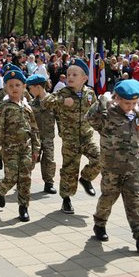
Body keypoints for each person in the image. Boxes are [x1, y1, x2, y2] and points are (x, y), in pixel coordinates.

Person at [86, 79, 139, 251]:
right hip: (111, 167)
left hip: (132, 167)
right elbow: (90, 118)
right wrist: (100, 102)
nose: (130, 106)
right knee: (108, 197)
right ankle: (100, 224)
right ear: (117, 98)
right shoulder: (107, 114)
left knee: (134, 200)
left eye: (134, 103)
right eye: (127, 103)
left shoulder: (136, 116)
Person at [40, 58, 101, 214]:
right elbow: (45, 102)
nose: (71, 77)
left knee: (100, 158)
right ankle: (66, 200)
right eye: (68, 74)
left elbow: (95, 113)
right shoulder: (63, 92)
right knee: (69, 171)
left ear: (85, 78)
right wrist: (62, 101)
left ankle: (86, 178)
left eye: (75, 74)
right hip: (70, 140)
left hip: (86, 137)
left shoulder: (90, 93)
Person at [0, 70, 40, 222]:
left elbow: (34, 129)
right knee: (11, 177)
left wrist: (36, 148)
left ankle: (23, 207)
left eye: (18, 85)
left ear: (24, 86)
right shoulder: (3, 107)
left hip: (26, 148)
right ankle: (0, 190)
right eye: (11, 85)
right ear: (6, 87)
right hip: (9, 148)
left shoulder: (27, 106)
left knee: (25, 177)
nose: (14, 88)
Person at [26, 74, 57, 194]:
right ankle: (24, 182)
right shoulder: (31, 104)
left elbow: (59, 118)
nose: (29, 91)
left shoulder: (53, 101)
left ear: (38, 87)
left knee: (49, 160)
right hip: (35, 138)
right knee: (30, 160)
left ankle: (49, 183)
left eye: (30, 88)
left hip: (48, 137)